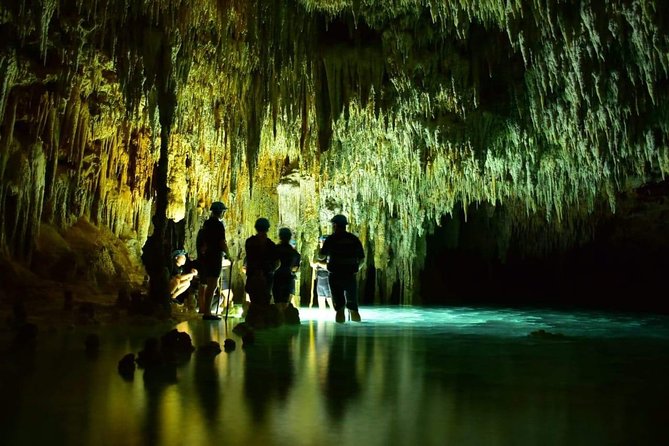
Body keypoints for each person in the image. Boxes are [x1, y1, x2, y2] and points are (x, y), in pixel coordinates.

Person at [319, 214, 365, 323]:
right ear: (345, 226)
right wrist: (356, 269)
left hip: (335, 275)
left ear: (335, 225)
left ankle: (339, 336)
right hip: (350, 275)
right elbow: (362, 259)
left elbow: (321, 256)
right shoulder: (353, 239)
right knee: (353, 307)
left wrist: (319, 251)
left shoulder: (331, 239)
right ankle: (355, 332)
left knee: (339, 308)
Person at [197, 201, 231, 321]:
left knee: (210, 283)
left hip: (207, 256)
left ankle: (207, 310)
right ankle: (207, 312)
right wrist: (228, 254)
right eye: (223, 211)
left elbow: (203, 242)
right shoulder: (218, 225)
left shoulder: (207, 224)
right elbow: (222, 242)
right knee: (213, 284)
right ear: (220, 212)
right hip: (215, 255)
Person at [244, 218, 279, 320]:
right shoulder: (271, 245)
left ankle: (253, 322)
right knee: (264, 300)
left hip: (252, 275)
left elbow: (250, 258)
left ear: (256, 228)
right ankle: (263, 322)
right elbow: (276, 262)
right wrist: (270, 270)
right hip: (266, 276)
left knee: (254, 301)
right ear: (268, 229)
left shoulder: (249, 242)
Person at [273, 228, 301, 313]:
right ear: (290, 237)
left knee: (277, 302)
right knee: (285, 303)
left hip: (277, 278)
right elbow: (295, 268)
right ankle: (284, 320)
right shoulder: (294, 253)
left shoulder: (274, 249)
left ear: (280, 237)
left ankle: (278, 320)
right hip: (288, 278)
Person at [311, 236, 334, 311]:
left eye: (321, 242)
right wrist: (314, 265)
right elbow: (316, 265)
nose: (320, 244)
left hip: (327, 280)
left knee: (331, 303)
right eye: (320, 242)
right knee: (321, 302)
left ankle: (335, 318)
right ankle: (322, 321)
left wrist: (318, 263)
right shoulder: (319, 253)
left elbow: (329, 267)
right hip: (320, 280)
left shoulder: (330, 254)